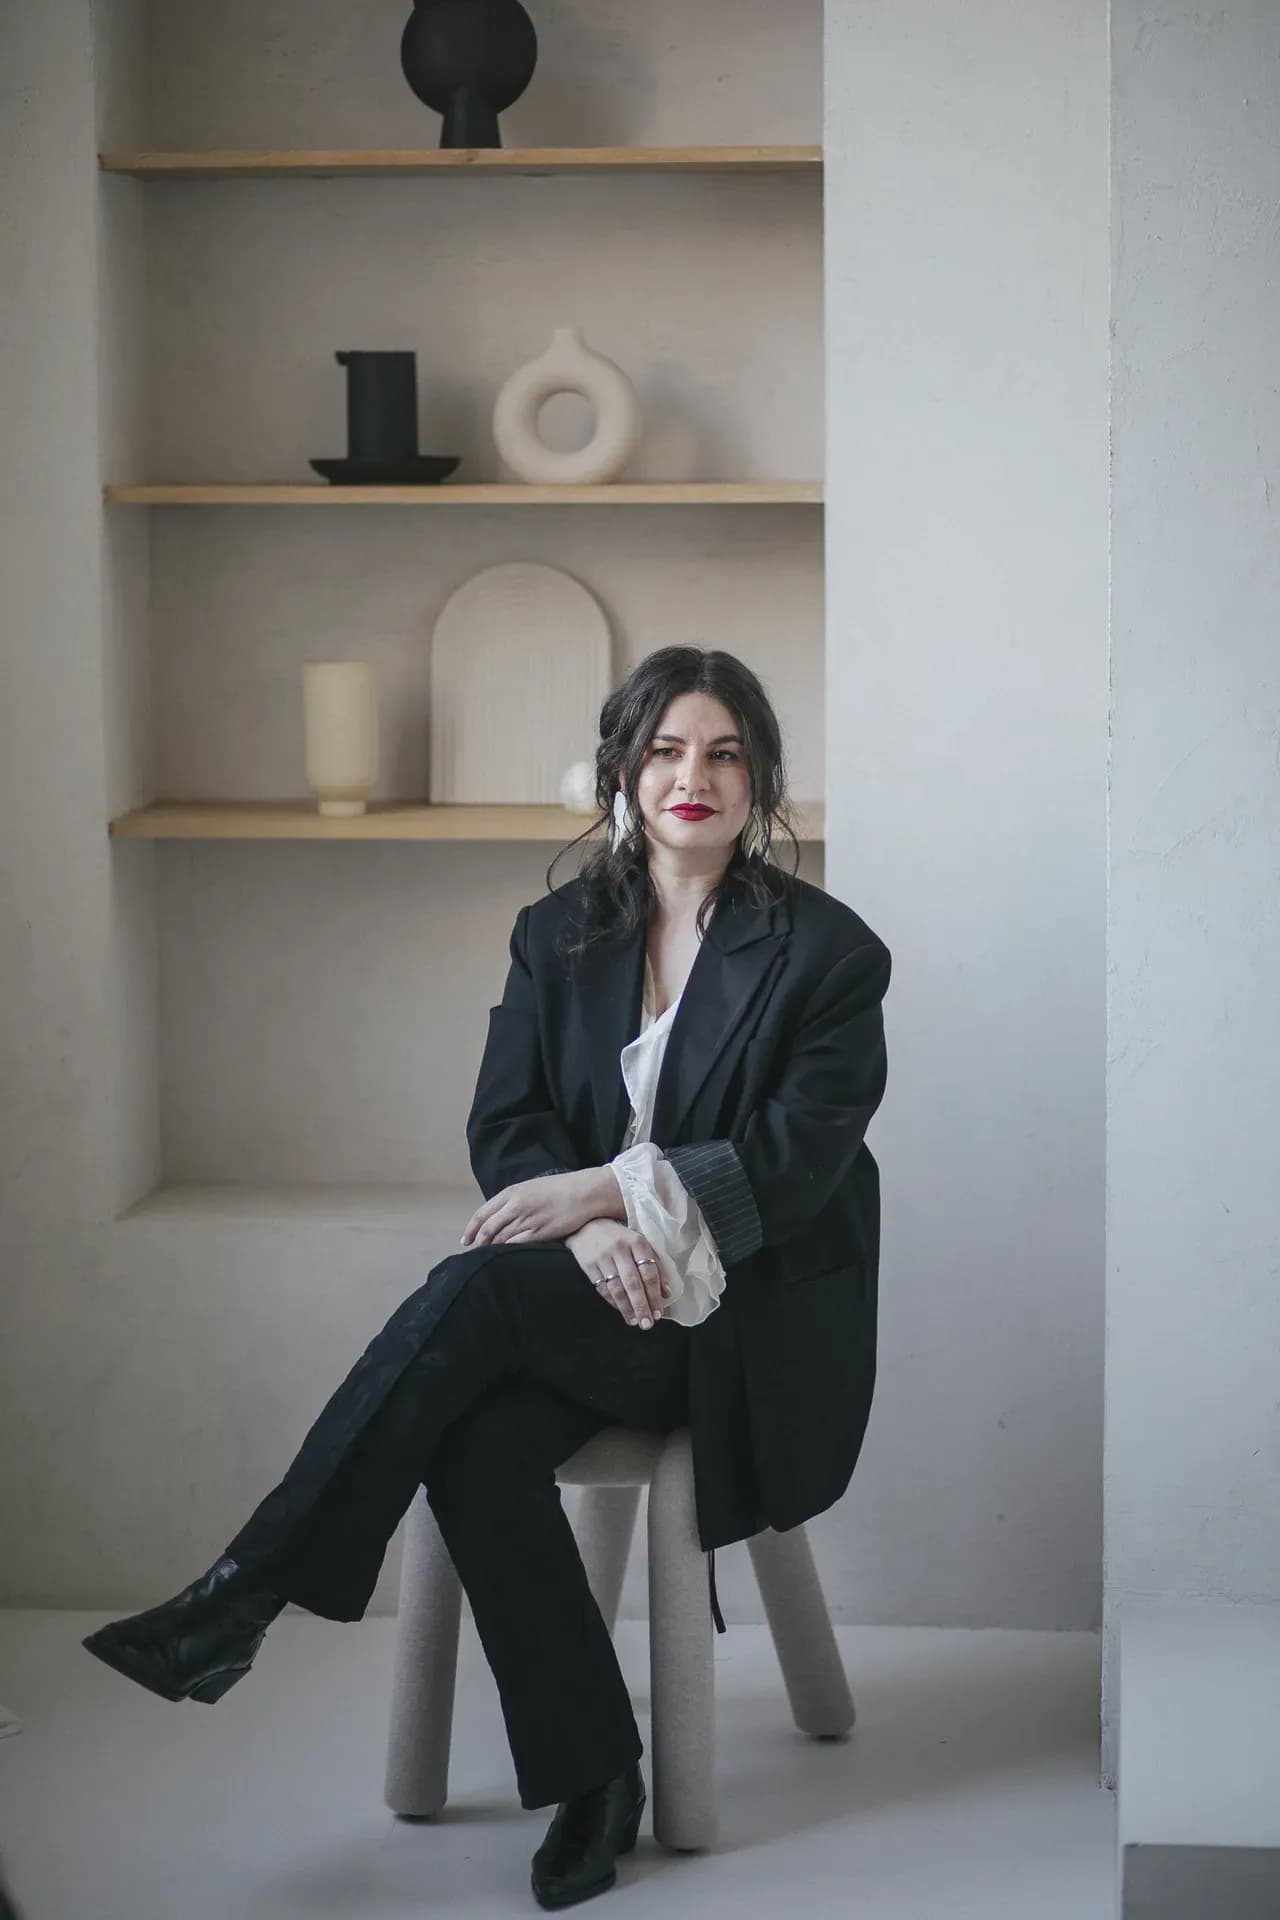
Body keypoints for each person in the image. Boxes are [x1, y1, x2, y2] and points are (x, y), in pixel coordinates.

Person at [82, 645, 891, 1910]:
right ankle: (595, 1777)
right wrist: (583, 1233)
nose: (693, 775)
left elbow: (788, 1170)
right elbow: (507, 1127)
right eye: (665, 749)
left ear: (759, 780)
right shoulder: (556, 933)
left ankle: (247, 1590)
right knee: (473, 1444)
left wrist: (602, 1193)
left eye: (724, 753)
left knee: (470, 1294)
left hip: (738, 1326)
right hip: (588, 1299)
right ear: (622, 770)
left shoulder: (828, 956)